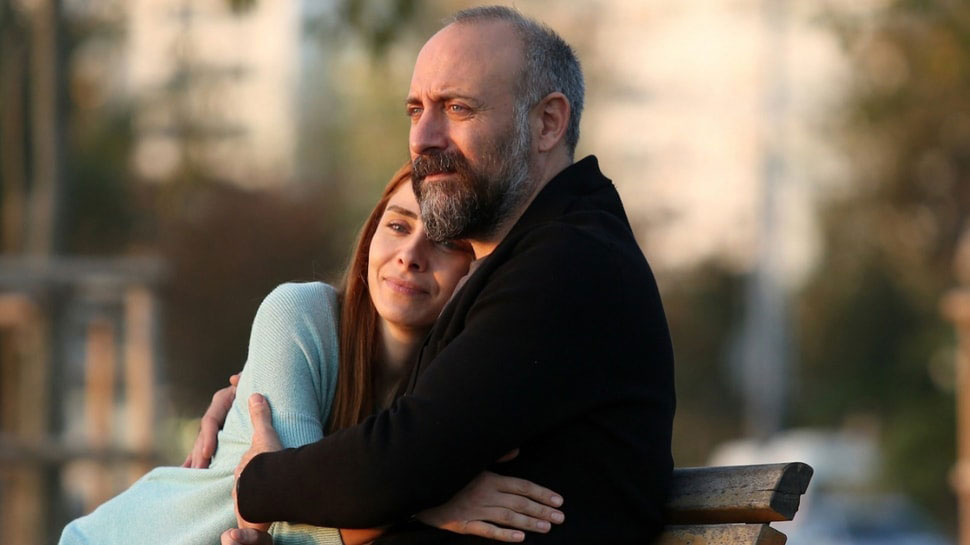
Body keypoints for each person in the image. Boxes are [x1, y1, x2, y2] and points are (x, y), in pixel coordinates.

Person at [225, 6, 676, 545]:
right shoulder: (524, 262)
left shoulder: (571, 260)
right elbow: (409, 457)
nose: (423, 137)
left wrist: (259, 482)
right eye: (415, 110)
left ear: (547, 123)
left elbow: (401, 461)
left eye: (457, 108)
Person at [57, 163, 567, 545]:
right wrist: (431, 502)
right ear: (370, 238)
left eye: (446, 243)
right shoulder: (298, 312)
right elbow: (293, 508)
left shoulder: (456, 382)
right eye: (398, 226)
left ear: (475, 271)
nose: (411, 255)